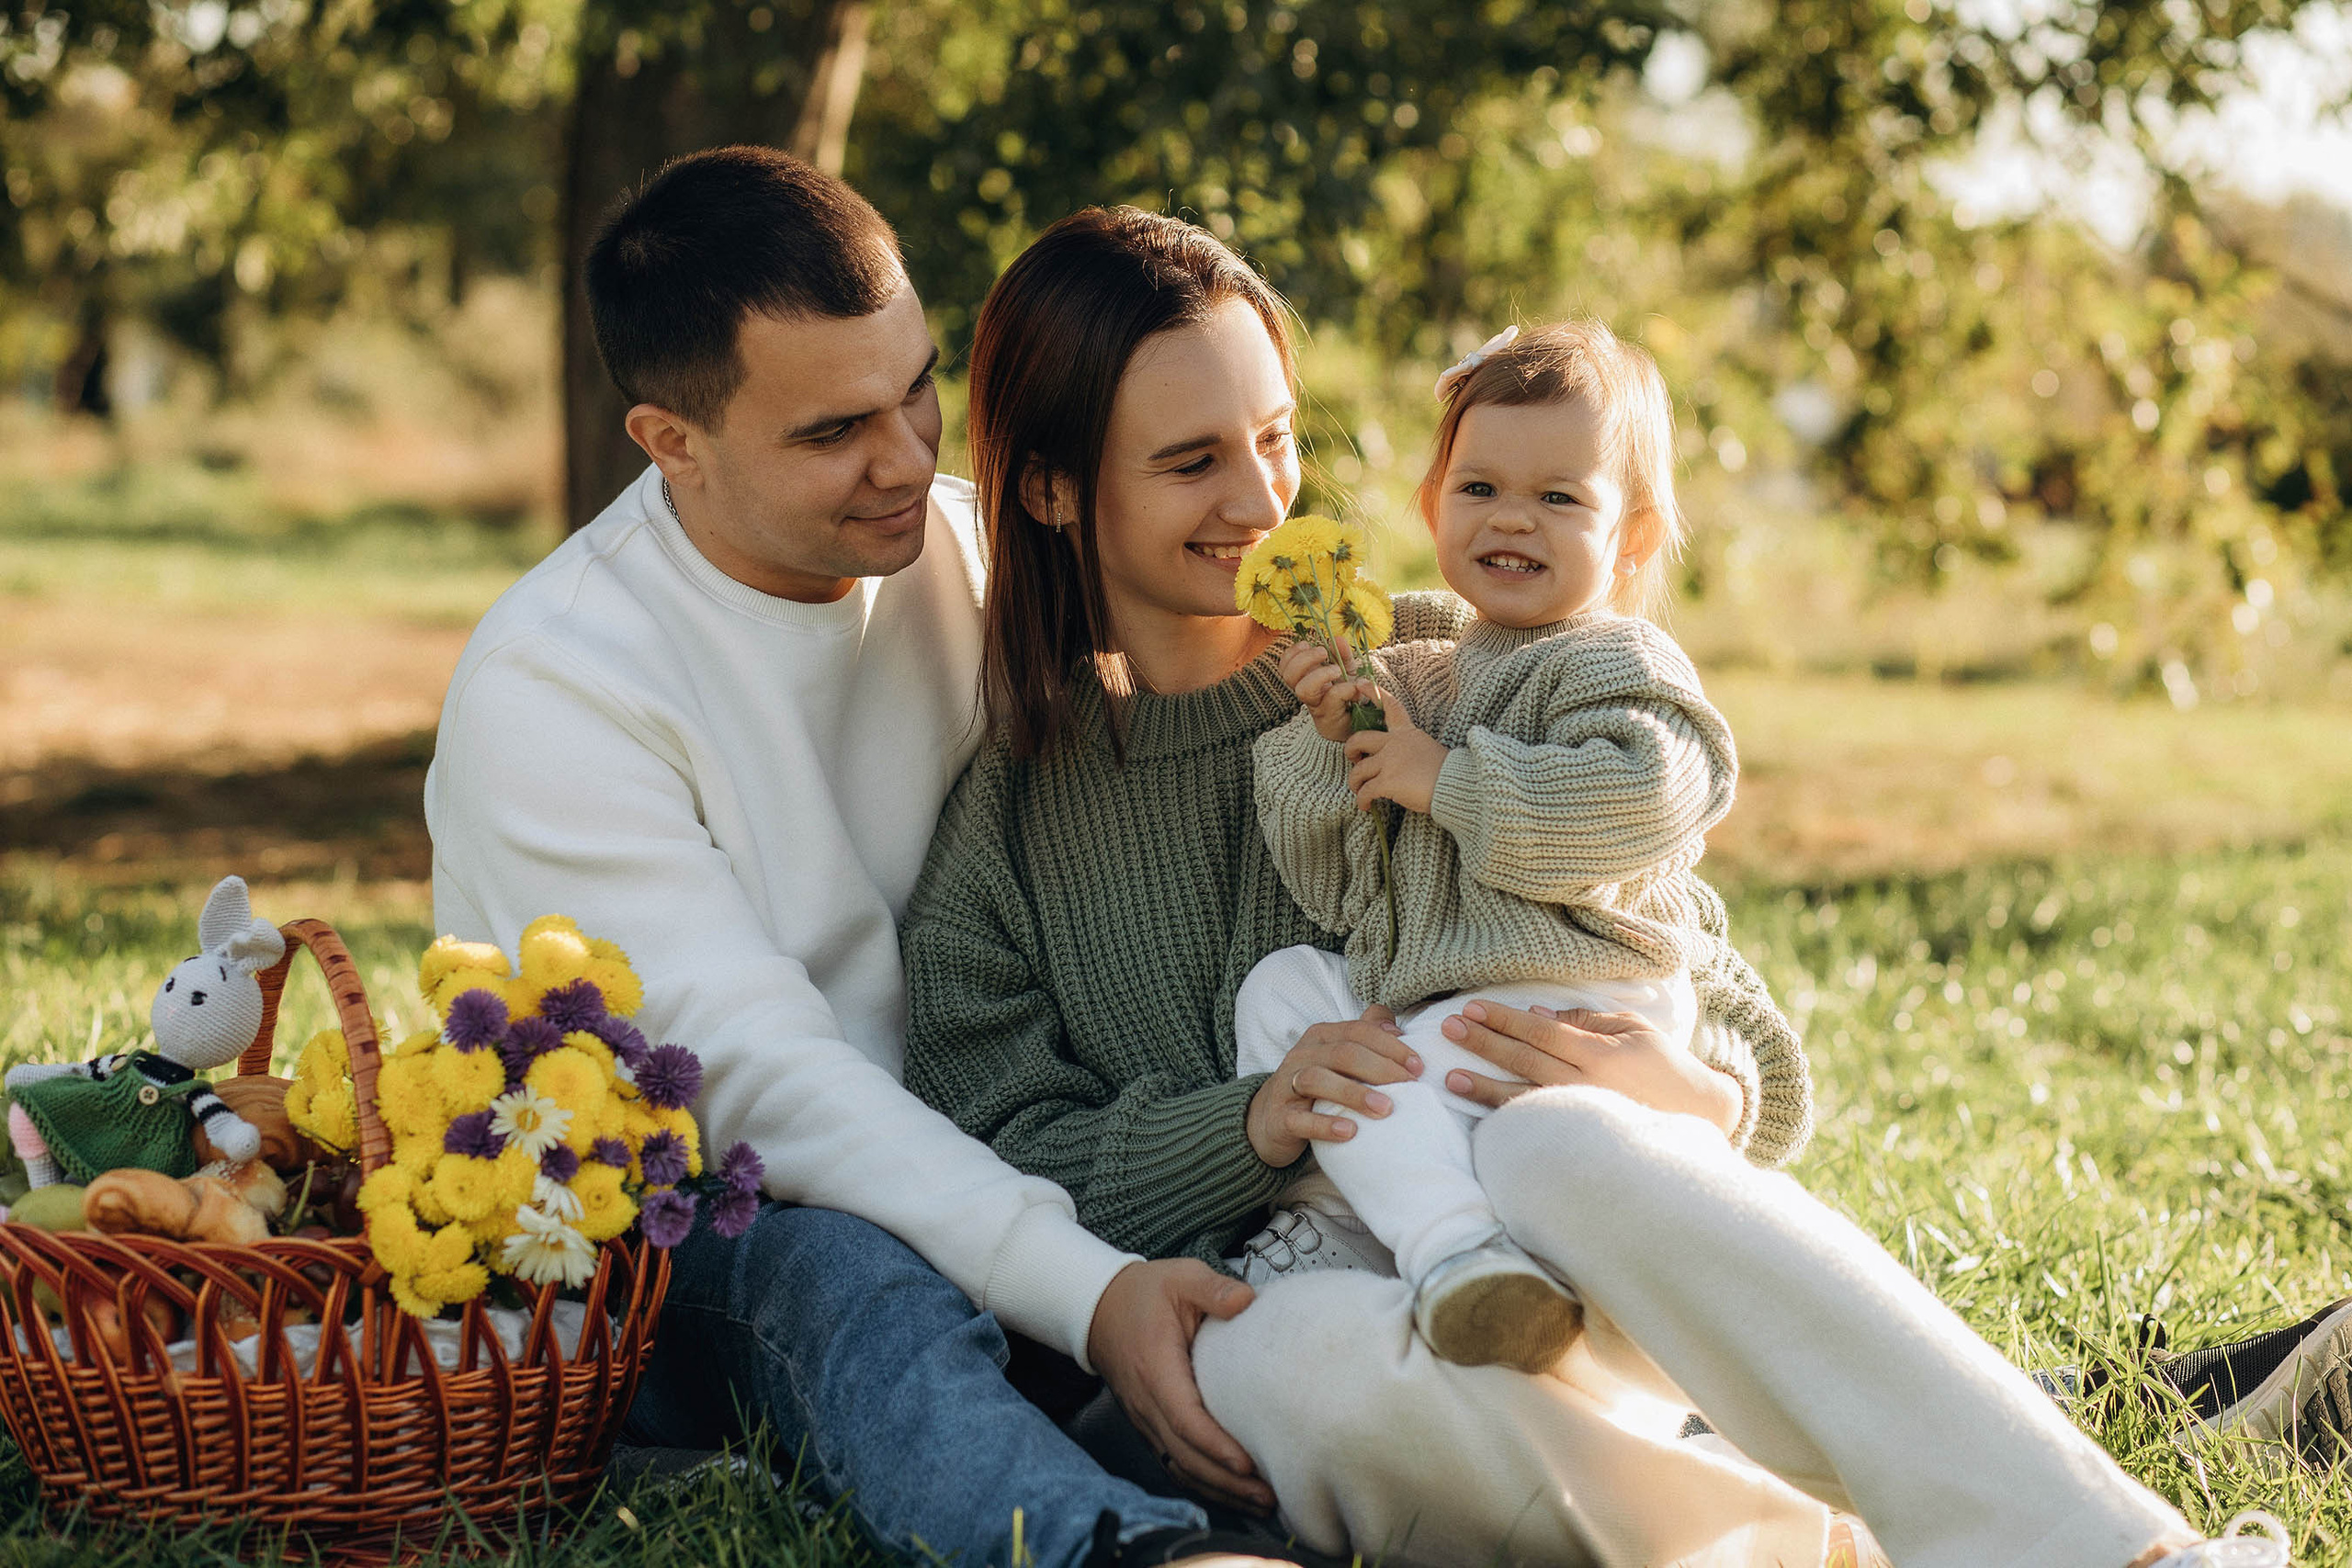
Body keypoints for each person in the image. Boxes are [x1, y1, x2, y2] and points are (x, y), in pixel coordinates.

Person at [899, 203, 2306, 1568]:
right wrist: (1250, 1121)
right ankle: (1828, 1540)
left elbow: (1669, 930)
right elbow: (998, 1152)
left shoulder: (1445, 663)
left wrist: (1713, 1088)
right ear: (1050, 486)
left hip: (1577, 1245)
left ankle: (2120, 1554)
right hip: (1315, 1301)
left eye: (1276, 437)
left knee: (1574, 1143)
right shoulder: (1008, 823)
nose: (1264, 499)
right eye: (1194, 459)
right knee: (1284, 1369)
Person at [424, 146, 1308, 1568]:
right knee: (844, 1272)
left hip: (1022, 1149)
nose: (910, 457)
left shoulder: (960, 550)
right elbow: (765, 1085)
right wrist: (1091, 1290)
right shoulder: (560, 683)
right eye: (837, 428)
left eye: (916, 388)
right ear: (672, 441)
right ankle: (1130, 1546)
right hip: (700, 1220)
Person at [1232, 319, 1810, 1376]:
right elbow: (1333, 885)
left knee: (1412, 1078)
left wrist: (1447, 780)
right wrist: (1338, 748)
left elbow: (1652, 796)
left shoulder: (1613, 656)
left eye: (1559, 498)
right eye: (1480, 489)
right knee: (1283, 992)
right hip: (1442, 994)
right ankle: (1406, 1232)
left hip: (1576, 995)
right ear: (1431, 506)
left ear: (1630, 539)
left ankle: (1433, 1247)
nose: (1513, 520)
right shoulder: (1419, 673)